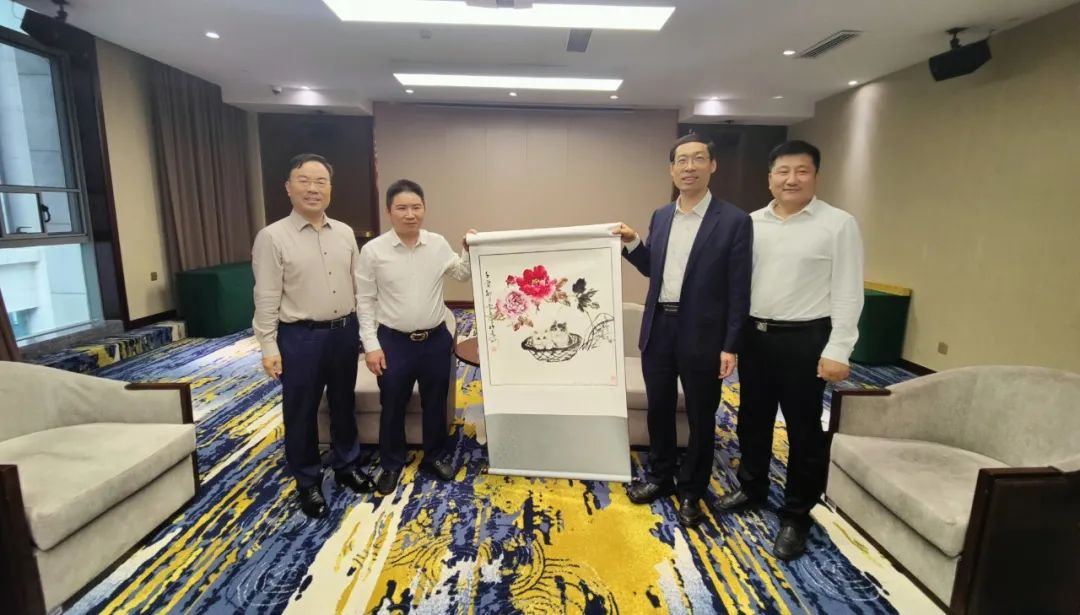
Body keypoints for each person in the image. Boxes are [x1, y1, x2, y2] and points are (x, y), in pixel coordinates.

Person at [717, 139, 865, 560]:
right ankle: (752, 488)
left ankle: (797, 513)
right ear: (770, 178)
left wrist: (839, 348)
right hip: (756, 337)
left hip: (806, 339)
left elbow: (849, 291)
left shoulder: (838, 224)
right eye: (783, 171)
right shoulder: (750, 223)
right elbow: (735, 285)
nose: (791, 179)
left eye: (802, 171)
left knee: (803, 429)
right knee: (752, 419)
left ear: (815, 176)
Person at [615, 133, 753, 527]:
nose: (689, 167)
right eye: (681, 160)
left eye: (698, 159)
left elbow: (739, 288)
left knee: (700, 415)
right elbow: (653, 269)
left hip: (704, 334)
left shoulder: (734, 221)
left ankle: (692, 489)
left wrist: (731, 344)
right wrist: (633, 243)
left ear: (713, 165)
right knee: (659, 408)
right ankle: (660, 476)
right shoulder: (661, 216)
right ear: (672, 169)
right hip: (659, 326)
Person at [252, 153, 372, 519]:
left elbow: (359, 286)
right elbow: (266, 296)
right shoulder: (272, 237)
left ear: (330, 189)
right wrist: (268, 345)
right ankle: (307, 480)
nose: (313, 189)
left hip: (344, 332)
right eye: (303, 181)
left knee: (343, 403)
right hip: (300, 337)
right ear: (288, 188)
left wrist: (365, 333)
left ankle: (347, 464)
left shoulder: (345, 233)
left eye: (321, 182)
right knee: (301, 411)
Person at [357, 179, 476, 495]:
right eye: (402, 208)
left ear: (424, 209)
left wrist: (468, 249)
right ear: (389, 211)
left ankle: (433, 456)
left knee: (435, 402)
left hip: (435, 340)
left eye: (416, 207)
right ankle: (391, 463)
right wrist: (371, 346)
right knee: (392, 403)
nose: (410, 214)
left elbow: (462, 274)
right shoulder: (373, 251)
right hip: (393, 342)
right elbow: (364, 301)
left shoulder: (436, 244)